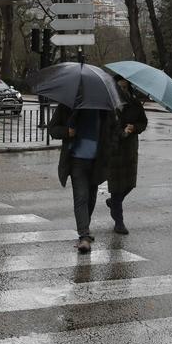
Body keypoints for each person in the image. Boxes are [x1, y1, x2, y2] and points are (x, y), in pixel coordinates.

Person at [47, 105, 112, 253]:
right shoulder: (68, 105)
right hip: (76, 161)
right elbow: (52, 128)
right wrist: (67, 132)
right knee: (81, 197)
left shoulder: (103, 107)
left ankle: (85, 229)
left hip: (97, 162)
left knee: (91, 198)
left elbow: (112, 131)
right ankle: (84, 236)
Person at [105, 77, 148, 235]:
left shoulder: (135, 104)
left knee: (129, 184)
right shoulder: (109, 105)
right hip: (114, 149)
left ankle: (113, 203)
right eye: (119, 87)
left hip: (129, 150)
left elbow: (143, 122)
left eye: (125, 87)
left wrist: (134, 127)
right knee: (116, 188)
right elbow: (105, 126)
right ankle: (119, 221)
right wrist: (118, 131)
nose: (122, 90)